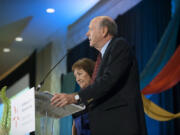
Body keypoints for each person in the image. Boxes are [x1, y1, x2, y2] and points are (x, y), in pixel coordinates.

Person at [51, 16, 147, 135]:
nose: (87, 34)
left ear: (104, 31)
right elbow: (98, 92)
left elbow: (108, 81)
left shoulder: (119, 45)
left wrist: (75, 97)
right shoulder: (100, 59)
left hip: (121, 125)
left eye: (91, 29)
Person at [71, 58, 95, 135]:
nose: (77, 79)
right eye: (75, 76)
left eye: (80, 74)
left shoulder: (100, 93)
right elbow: (74, 125)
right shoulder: (76, 98)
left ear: (91, 73)